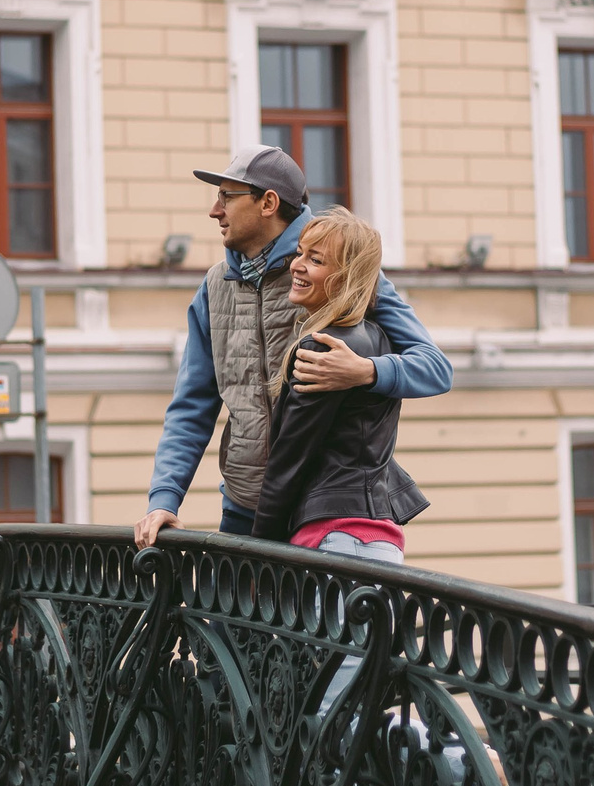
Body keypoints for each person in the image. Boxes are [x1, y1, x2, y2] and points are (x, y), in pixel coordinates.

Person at [134, 145, 450, 546]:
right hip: (244, 508)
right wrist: (164, 499)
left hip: (319, 512)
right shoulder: (214, 288)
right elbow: (191, 406)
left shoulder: (338, 271)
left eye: (227, 197)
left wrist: (365, 372)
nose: (215, 211)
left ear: (267, 202)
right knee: (227, 610)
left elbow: (436, 368)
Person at [249, 209, 427, 563]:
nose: (297, 265)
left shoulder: (323, 349)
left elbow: (290, 458)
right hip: (381, 538)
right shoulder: (381, 338)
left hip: (333, 536)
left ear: (344, 277)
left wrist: (259, 551)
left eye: (315, 260)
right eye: (300, 253)